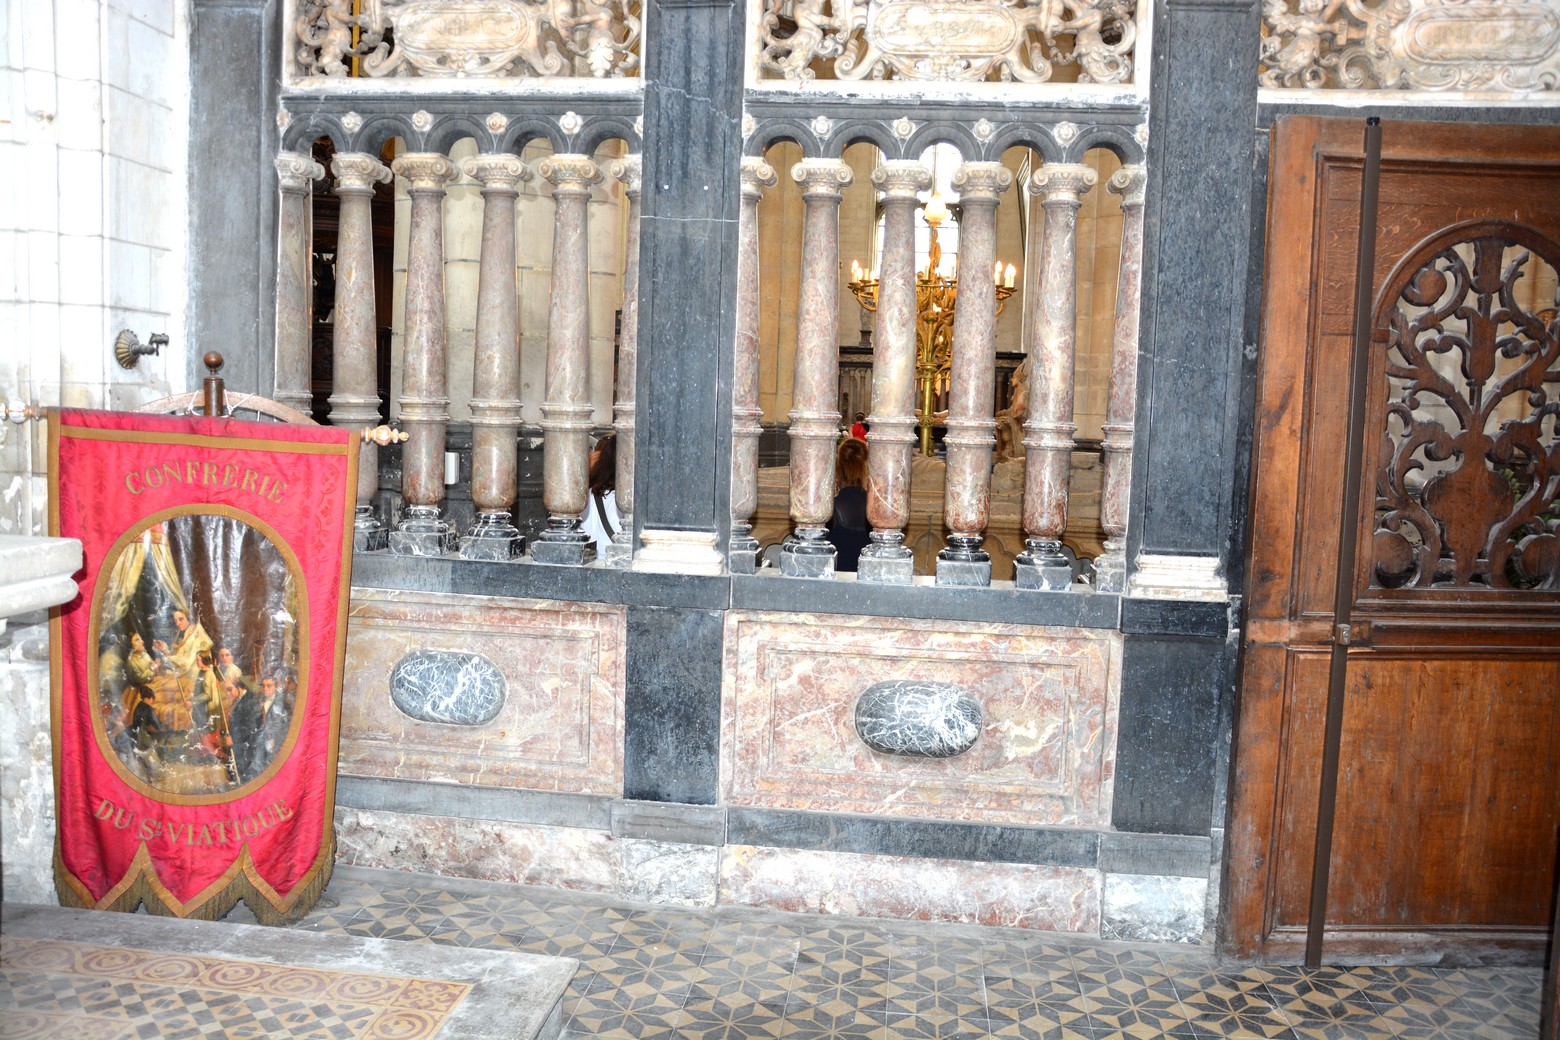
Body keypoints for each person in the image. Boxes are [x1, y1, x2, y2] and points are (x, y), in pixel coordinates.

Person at [827, 437, 871, 572]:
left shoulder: (827, 509)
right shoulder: (876, 507)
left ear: (837, 472)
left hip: (836, 585)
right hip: (867, 582)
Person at [580, 434, 620, 550]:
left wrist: (587, 474)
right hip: (615, 564)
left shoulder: (581, 497)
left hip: (588, 564)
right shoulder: (625, 501)